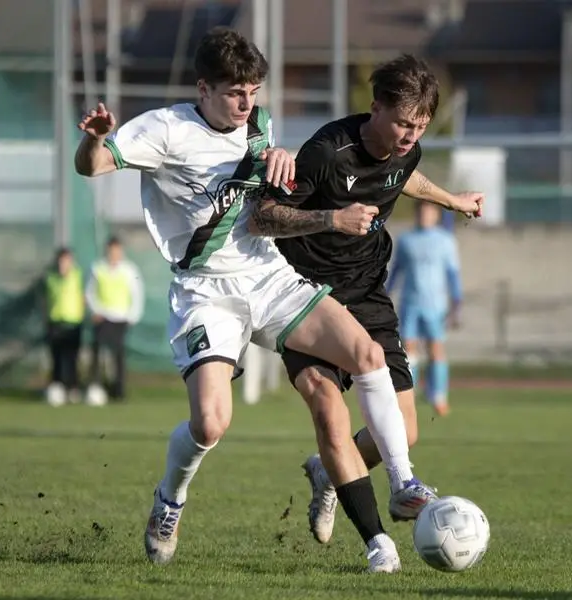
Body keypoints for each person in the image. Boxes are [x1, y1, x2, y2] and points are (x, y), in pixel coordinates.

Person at [73, 27, 431, 573]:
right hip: (205, 291)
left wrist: (277, 155)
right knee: (212, 423)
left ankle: (403, 483)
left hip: (266, 275)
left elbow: (262, 177)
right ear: (203, 90)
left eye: (254, 92)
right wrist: (96, 137)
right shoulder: (165, 128)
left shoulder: (257, 124)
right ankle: (170, 500)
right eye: (236, 93)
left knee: (367, 355)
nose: (247, 104)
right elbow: (91, 167)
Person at [249, 54, 483, 545]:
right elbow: (265, 217)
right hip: (308, 296)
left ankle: (329, 472)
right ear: (375, 108)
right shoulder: (327, 153)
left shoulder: (408, 149)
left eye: (419, 126)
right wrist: (331, 219)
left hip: (368, 292)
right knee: (328, 408)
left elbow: (404, 176)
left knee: (405, 430)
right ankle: (375, 535)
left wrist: (453, 201)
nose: (410, 136)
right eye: (402, 123)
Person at [386, 201, 463, 417]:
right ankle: (408, 396)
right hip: (410, 303)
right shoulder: (406, 240)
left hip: (436, 305)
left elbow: (453, 275)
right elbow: (396, 271)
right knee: (408, 351)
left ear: (436, 215)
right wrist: (385, 294)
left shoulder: (446, 241)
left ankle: (438, 396)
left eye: (429, 212)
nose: (425, 215)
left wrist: (457, 303)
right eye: (421, 211)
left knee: (436, 349)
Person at [85, 235, 145, 403]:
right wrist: (95, 311)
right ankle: (95, 386)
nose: (114, 254)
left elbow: (137, 294)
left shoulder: (129, 270)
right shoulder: (97, 268)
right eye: (111, 251)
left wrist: (132, 316)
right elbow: (90, 293)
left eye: (117, 251)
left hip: (121, 318)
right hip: (102, 317)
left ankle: (118, 390)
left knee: (118, 355)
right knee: (97, 353)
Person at [42, 247, 85, 407]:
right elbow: (45, 299)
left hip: (74, 322)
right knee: (56, 357)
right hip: (55, 322)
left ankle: (73, 388)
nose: (64, 265)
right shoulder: (50, 277)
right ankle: (56, 388)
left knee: (72, 357)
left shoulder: (77, 275)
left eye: (67, 261)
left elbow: (83, 296)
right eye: (62, 261)